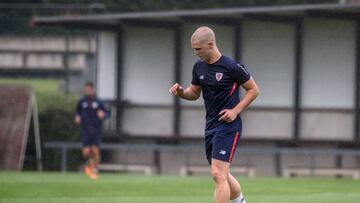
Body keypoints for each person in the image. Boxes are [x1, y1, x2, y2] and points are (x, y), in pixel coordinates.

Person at [169, 26, 259, 203]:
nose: (195, 53)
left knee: (218, 174)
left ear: (210, 44)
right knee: (221, 174)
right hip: (210, 126)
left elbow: (253, 90)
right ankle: (240, 201)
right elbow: (194, 93)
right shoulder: (199, 68)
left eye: (198, 49)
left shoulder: (232, 67)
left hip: (229, 126)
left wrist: (235, 111)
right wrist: (181, 92)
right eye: (194, 49)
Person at [75, 82, 107, 180]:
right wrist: (77, 117)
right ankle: (89, 166)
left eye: (90, 89)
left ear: (93, 89)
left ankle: (94, 169)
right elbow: (78, 111)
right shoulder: (81, 101)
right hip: (85, 130)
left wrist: (104, 115)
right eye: (86, 89)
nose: (88, 91)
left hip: (96, 130)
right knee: (86, 153)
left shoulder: (99, 101)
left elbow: (106, 112)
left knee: (95, 150)